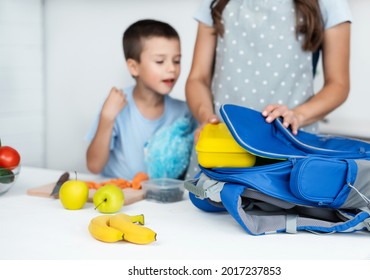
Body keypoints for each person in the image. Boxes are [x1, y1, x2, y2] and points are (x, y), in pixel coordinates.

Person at [184, 0, 352, 178]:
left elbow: (338, 85)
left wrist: (297, 115)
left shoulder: (329, 3)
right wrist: (205, 117)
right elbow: (198, 78)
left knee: (281, 202)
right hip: (221, 148)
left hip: (288, 149)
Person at [86, 19, 193, 180]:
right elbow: (94, 165)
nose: (172, 68)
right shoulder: (115, 105)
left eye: (176, 60)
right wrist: (107, 118)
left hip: (160, 201)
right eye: (160, 61)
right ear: (134, 67)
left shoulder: (184, 111)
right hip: (119, 197)